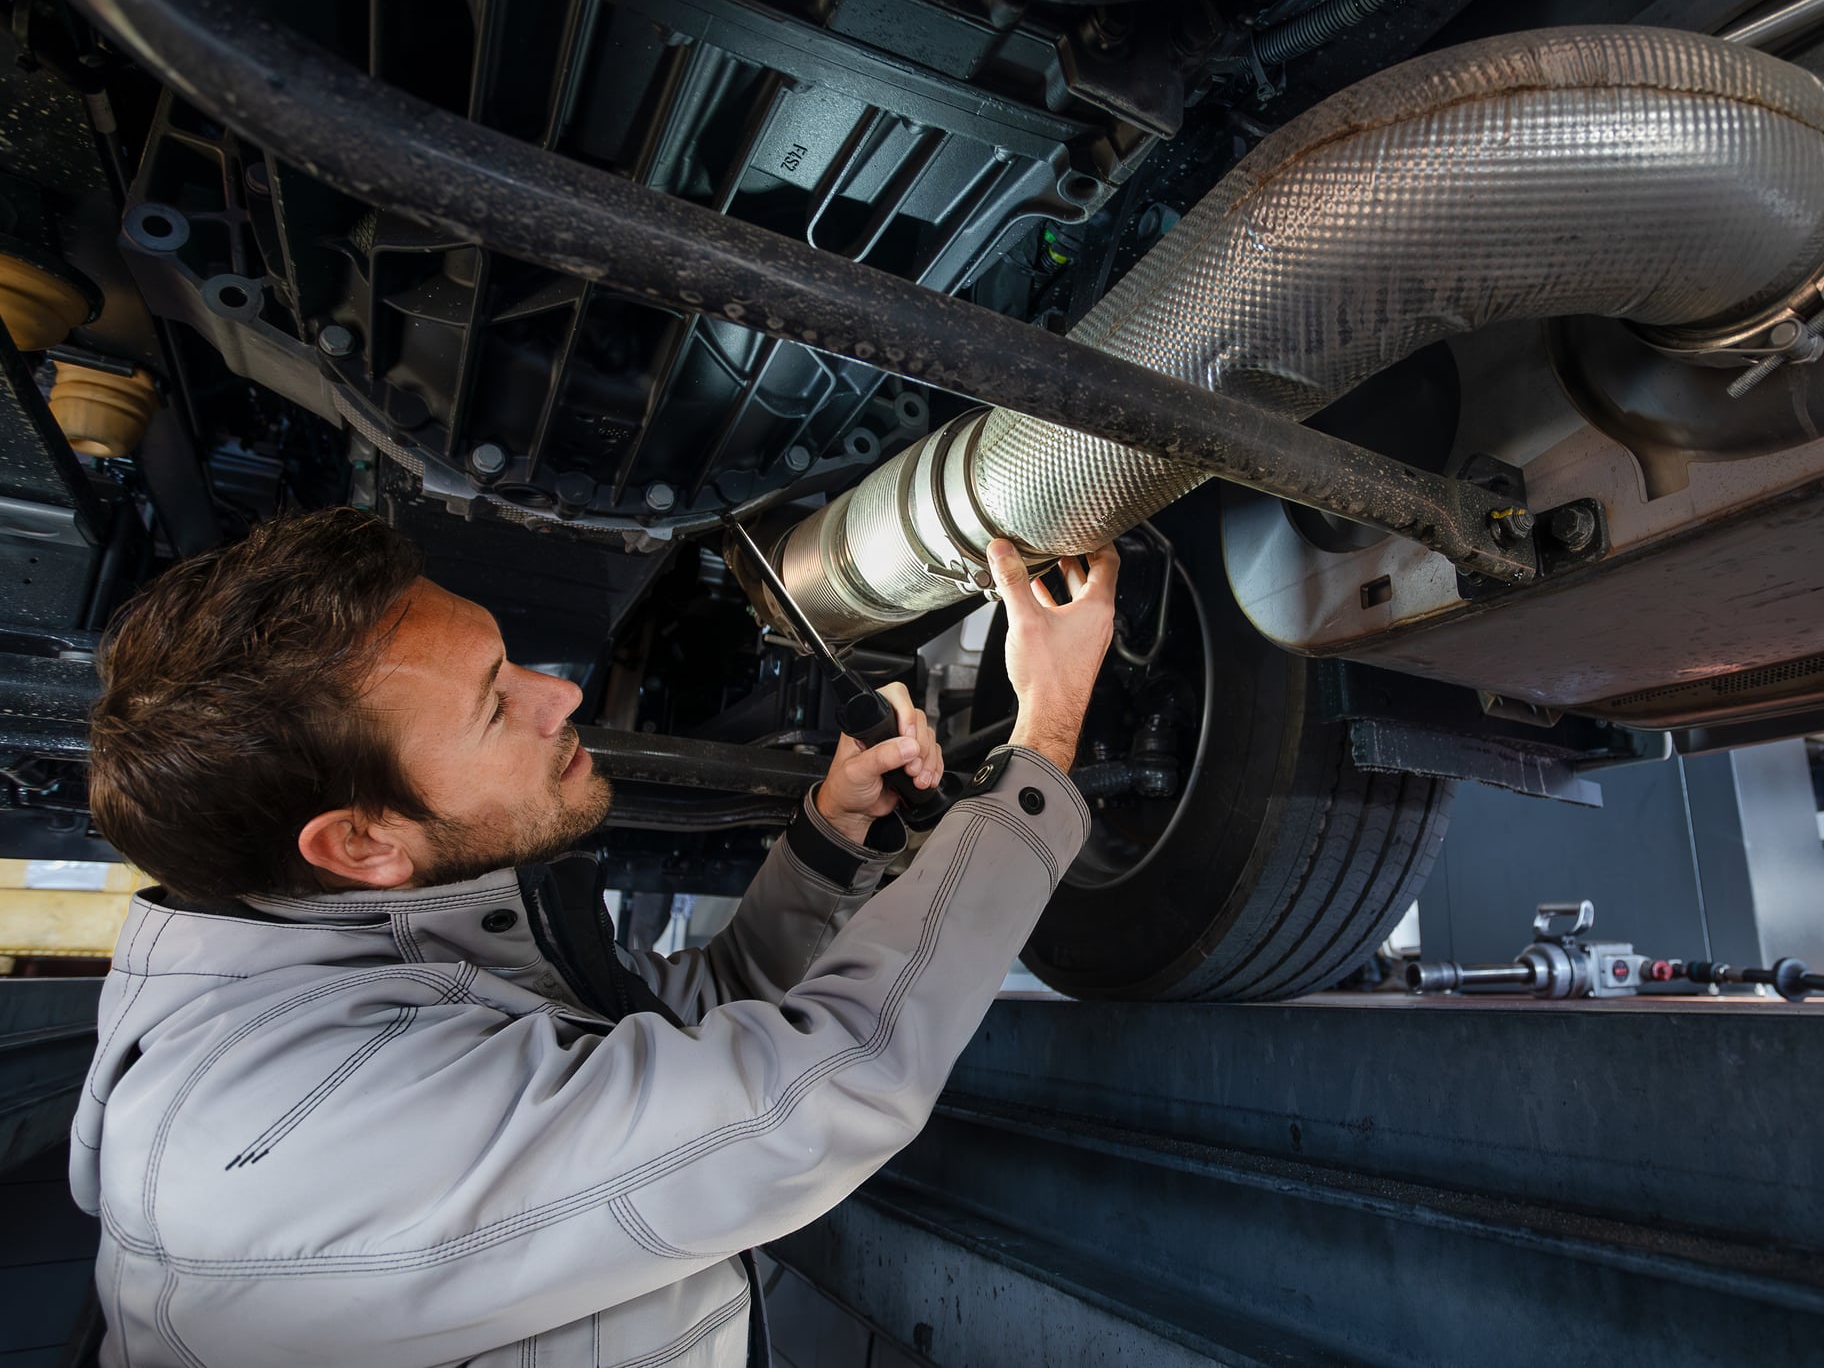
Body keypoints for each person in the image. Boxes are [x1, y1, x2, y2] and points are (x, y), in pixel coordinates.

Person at [71, 506, 1117, 1367]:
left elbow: (680, 1027)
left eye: (510, 660)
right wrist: (1048, 736)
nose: (560, 694)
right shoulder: (301, 1137)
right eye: (496, 707)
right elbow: (820, 1091)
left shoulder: (364, 960)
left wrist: (830, 838)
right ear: (359, 841)